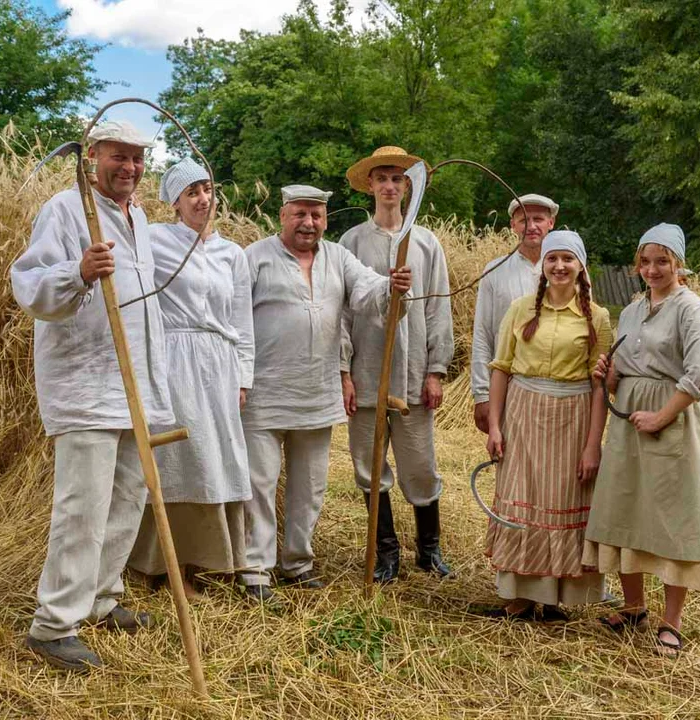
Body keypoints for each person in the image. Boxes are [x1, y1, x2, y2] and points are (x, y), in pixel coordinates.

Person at [11, 120, 170, 671]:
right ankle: (54, 625)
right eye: (118, 156)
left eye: (137, 158)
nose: (129, 167)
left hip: (134, 384)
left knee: (128, 497)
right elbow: (29, 285)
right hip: (84, 382)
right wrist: (77, 271)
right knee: (83, 506)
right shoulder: (66, 208)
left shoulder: (140, 218)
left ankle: (102, 598)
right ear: (93, 157)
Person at [239, 184, 413, 602]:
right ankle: (255, 570)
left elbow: (369, 292)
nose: (309, 223)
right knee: (259, 484)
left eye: (316, 215)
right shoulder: (254, 258)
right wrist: (239, 378)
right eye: (300, 214)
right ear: (282, 215)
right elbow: (235, 320)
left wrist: (392, 287)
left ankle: (297, 563)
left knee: (311, 485)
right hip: (264, 391)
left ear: (325, 219)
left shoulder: (338, 257)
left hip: (317, 392)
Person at [583, 223, 700, 657]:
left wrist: (662, 415)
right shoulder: (630, 310)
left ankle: (672, 621)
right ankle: (633, 607)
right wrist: (608, 376)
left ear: (678, 264)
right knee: (626, 506)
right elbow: (623, 367)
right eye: (645, 261)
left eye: (662, 261)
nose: (652, 269)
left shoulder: (690, 308)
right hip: (628, 420)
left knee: (670, 516)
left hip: (671, 419)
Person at [125, 158, 254, 599]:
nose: (202, 198)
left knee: (216, 457)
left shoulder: (231, 253)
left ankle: (207, 560)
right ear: (175, 203)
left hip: (219, 363)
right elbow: (124, 248)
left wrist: (243, 376)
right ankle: (163, 565)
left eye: (207, 189)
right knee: (181, 455)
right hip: (175, 358)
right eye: (191, 192)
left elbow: (242, 320)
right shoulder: (155, 239)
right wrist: (132, 213)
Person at [339, 146, 454, 583]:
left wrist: (436, 370)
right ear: (370, 185)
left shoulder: (425, 243)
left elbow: (437, 309)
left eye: (397, 179)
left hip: (411, 371)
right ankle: (384, 552)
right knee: (370, 467)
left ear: (407, 187)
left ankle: (429, 550)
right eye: (382, 178)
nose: (389, 186)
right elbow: (343, 314)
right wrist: (344, 373)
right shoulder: (350, 243)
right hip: (368, 371)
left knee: (420, 465)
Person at [484, 230, 611, 619]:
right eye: (552, 259)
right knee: (524, 498)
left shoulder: (598, 318)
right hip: (523, 414)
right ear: (543, 266)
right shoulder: (522, 309)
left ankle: (555, 598)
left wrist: (593, 445)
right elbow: (501, 369)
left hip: (571, 418)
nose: (559, 266)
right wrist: (494, 425)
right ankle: (519, 599)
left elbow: (601, 385)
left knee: (562, 500)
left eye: (567, 260)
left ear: (580, 267)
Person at [471, 194, 558, 433]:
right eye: (523, 220)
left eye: (539, 219)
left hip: (559, 388)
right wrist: (482, 394)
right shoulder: (495, 271)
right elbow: (483, 333)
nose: (531, 226)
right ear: (513, 225)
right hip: (508, 388)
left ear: (551, 223)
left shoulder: (568, 269)